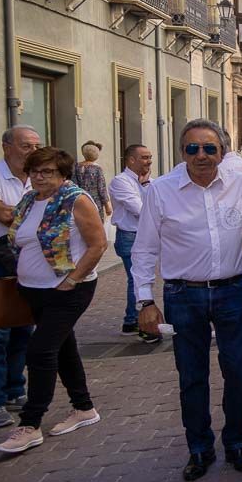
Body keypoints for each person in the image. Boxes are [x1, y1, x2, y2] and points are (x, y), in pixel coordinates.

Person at [132, 119, 242, 480]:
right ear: (181, 152)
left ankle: (237, 443)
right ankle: (200, 449)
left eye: (209, 148)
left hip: (232, 291)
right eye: (192, 148)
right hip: (182, 295)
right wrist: (144, 301)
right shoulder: (160, 191)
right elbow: (143, 250)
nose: (201, 155)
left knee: (239, 372)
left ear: (223, 152)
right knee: (192, 376)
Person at [0, 147, 105, 455]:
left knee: (40, 351)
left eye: (48, 172)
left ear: (63, 175)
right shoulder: (30, 200)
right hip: (33, 290)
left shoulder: (76, 199)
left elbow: (97, 245)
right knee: (64, 349)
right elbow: (19, 236)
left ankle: (30, 425)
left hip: (68, 289)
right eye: (35, 171)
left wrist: (71, 280)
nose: (39, 177)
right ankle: (83, 408)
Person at [0, 125, 39, 428]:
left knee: (24, 327)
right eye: (27, 146)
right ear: (7, 147)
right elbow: (4, 215)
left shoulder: (38, 178)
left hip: (29, 259)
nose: (34, 152)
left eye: (37, 146)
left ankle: (14, 388)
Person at [108, 144, 157, 342]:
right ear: (131, 160)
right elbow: (141, 210)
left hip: (146, 235)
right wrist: (146, 189)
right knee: (137, 278)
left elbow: (157, 207)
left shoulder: (150, 182)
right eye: (144, 157)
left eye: (150, 157)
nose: (149, 161)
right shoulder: (121, 182)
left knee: (136, 279)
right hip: (129, 236)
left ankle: (131, 320)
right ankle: (139, 321)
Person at [73, 141, 111, 221]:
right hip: (95, 201)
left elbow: (74, 184)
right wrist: (107, 206)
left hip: (79, 200)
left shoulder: (76, 166)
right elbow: (102, 189)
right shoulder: (97, 169)